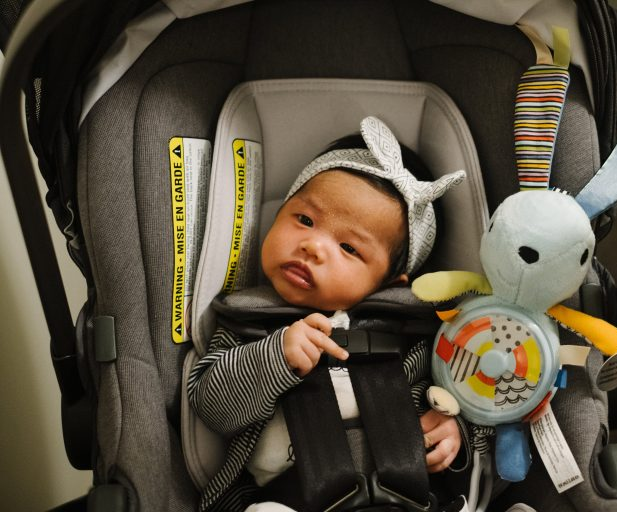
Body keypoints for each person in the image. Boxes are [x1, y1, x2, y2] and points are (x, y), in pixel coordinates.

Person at [188, 116, 470, 511]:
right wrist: (274, 357)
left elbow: (466, 401)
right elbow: (211, 407)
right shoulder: (248, 325)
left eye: (349, 248)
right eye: (305, 220)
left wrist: (454, 433)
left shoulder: (410, 340)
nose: (313, 246)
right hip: (289, 500)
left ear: (390, 283)